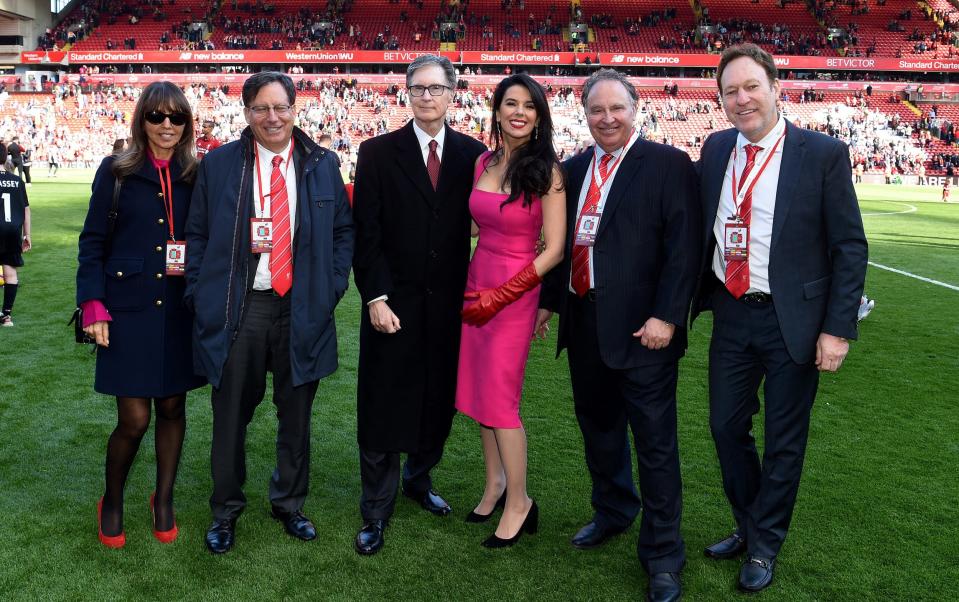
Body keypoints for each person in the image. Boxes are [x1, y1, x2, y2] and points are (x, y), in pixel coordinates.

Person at [692, 44, 868, 593]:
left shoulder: (822, 152)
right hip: (732, 312)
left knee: (784, 440)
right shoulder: (717, 147)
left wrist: (837, 329)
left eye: (751, 87)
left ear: (775, 87)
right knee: (725, 427)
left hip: (796, 320)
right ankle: (748, 523)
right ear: (720, 101)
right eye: (730, 92)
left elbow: (849, 246)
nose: (741, 99)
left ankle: (765, 544)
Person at [536, 68, 701, 602]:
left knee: (655, 446)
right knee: (599, 432)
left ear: (636, 109)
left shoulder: (669, 164)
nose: (607, 118)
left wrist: (667, 316)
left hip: (644, 331)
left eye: (616, 108)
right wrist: (547, 303)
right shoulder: (574, 167)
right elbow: (562, 244)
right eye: (596, 110)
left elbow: (685, 249)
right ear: (584, 115)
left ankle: (663, 555)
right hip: (584, 325)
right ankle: (612, 510)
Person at [184, 71, 354, 555]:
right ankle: (225, 509)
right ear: (247, 113)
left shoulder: (323, 163)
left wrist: (331, 287)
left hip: (303, 308)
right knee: (230, 415)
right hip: (243, 307)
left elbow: (343, 233)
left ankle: (289, 504)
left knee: (296, 417)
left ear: (295, 109)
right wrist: (200, 293)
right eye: (261, 108)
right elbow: (196, 236)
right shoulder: (219, 165)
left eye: (280, 107)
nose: (272, 117)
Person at [351, 55, 487, 556]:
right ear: (406, 93)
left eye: (436, 88)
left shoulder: (475, 156)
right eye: (417, 88)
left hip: (451, 307)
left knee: (438, 399)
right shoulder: (377, 152)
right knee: (383, 404)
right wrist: (376, 296)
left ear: (453, 94)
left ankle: (419, 477)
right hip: (394, 303)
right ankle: (376, 509)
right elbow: (366, 235)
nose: (426, 96)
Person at [76, 81, 206, 548]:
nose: (167, 126)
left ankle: (164, 498)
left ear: (187, 123)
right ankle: (112, 500)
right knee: (133, 419)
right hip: (126, 310)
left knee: (173, 406)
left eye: (177, 117)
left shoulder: (197, 173)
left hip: (180, 310)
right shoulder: (115, 170)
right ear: (142, 120)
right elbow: (92, 243)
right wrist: (93, 305)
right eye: (157, 116)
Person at [455, 74, 565, 548]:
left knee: (501, 400)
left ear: (539, 116)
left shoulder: (549, 172)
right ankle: (495, 484)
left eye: (529, 106)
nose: (519, 112)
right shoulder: (484, 159)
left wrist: (503, 295)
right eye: (510, 104)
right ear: (497, 110)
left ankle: (520, 500)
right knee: (479, 395)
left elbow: (555, 250)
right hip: (476, 283)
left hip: (515, 294)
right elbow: (479, 227)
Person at [0, 145, 30, 327]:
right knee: (10, 274)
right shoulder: (17, 181)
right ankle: (7, 317)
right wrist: (27, 235)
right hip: (12, 231)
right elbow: (26, 209)